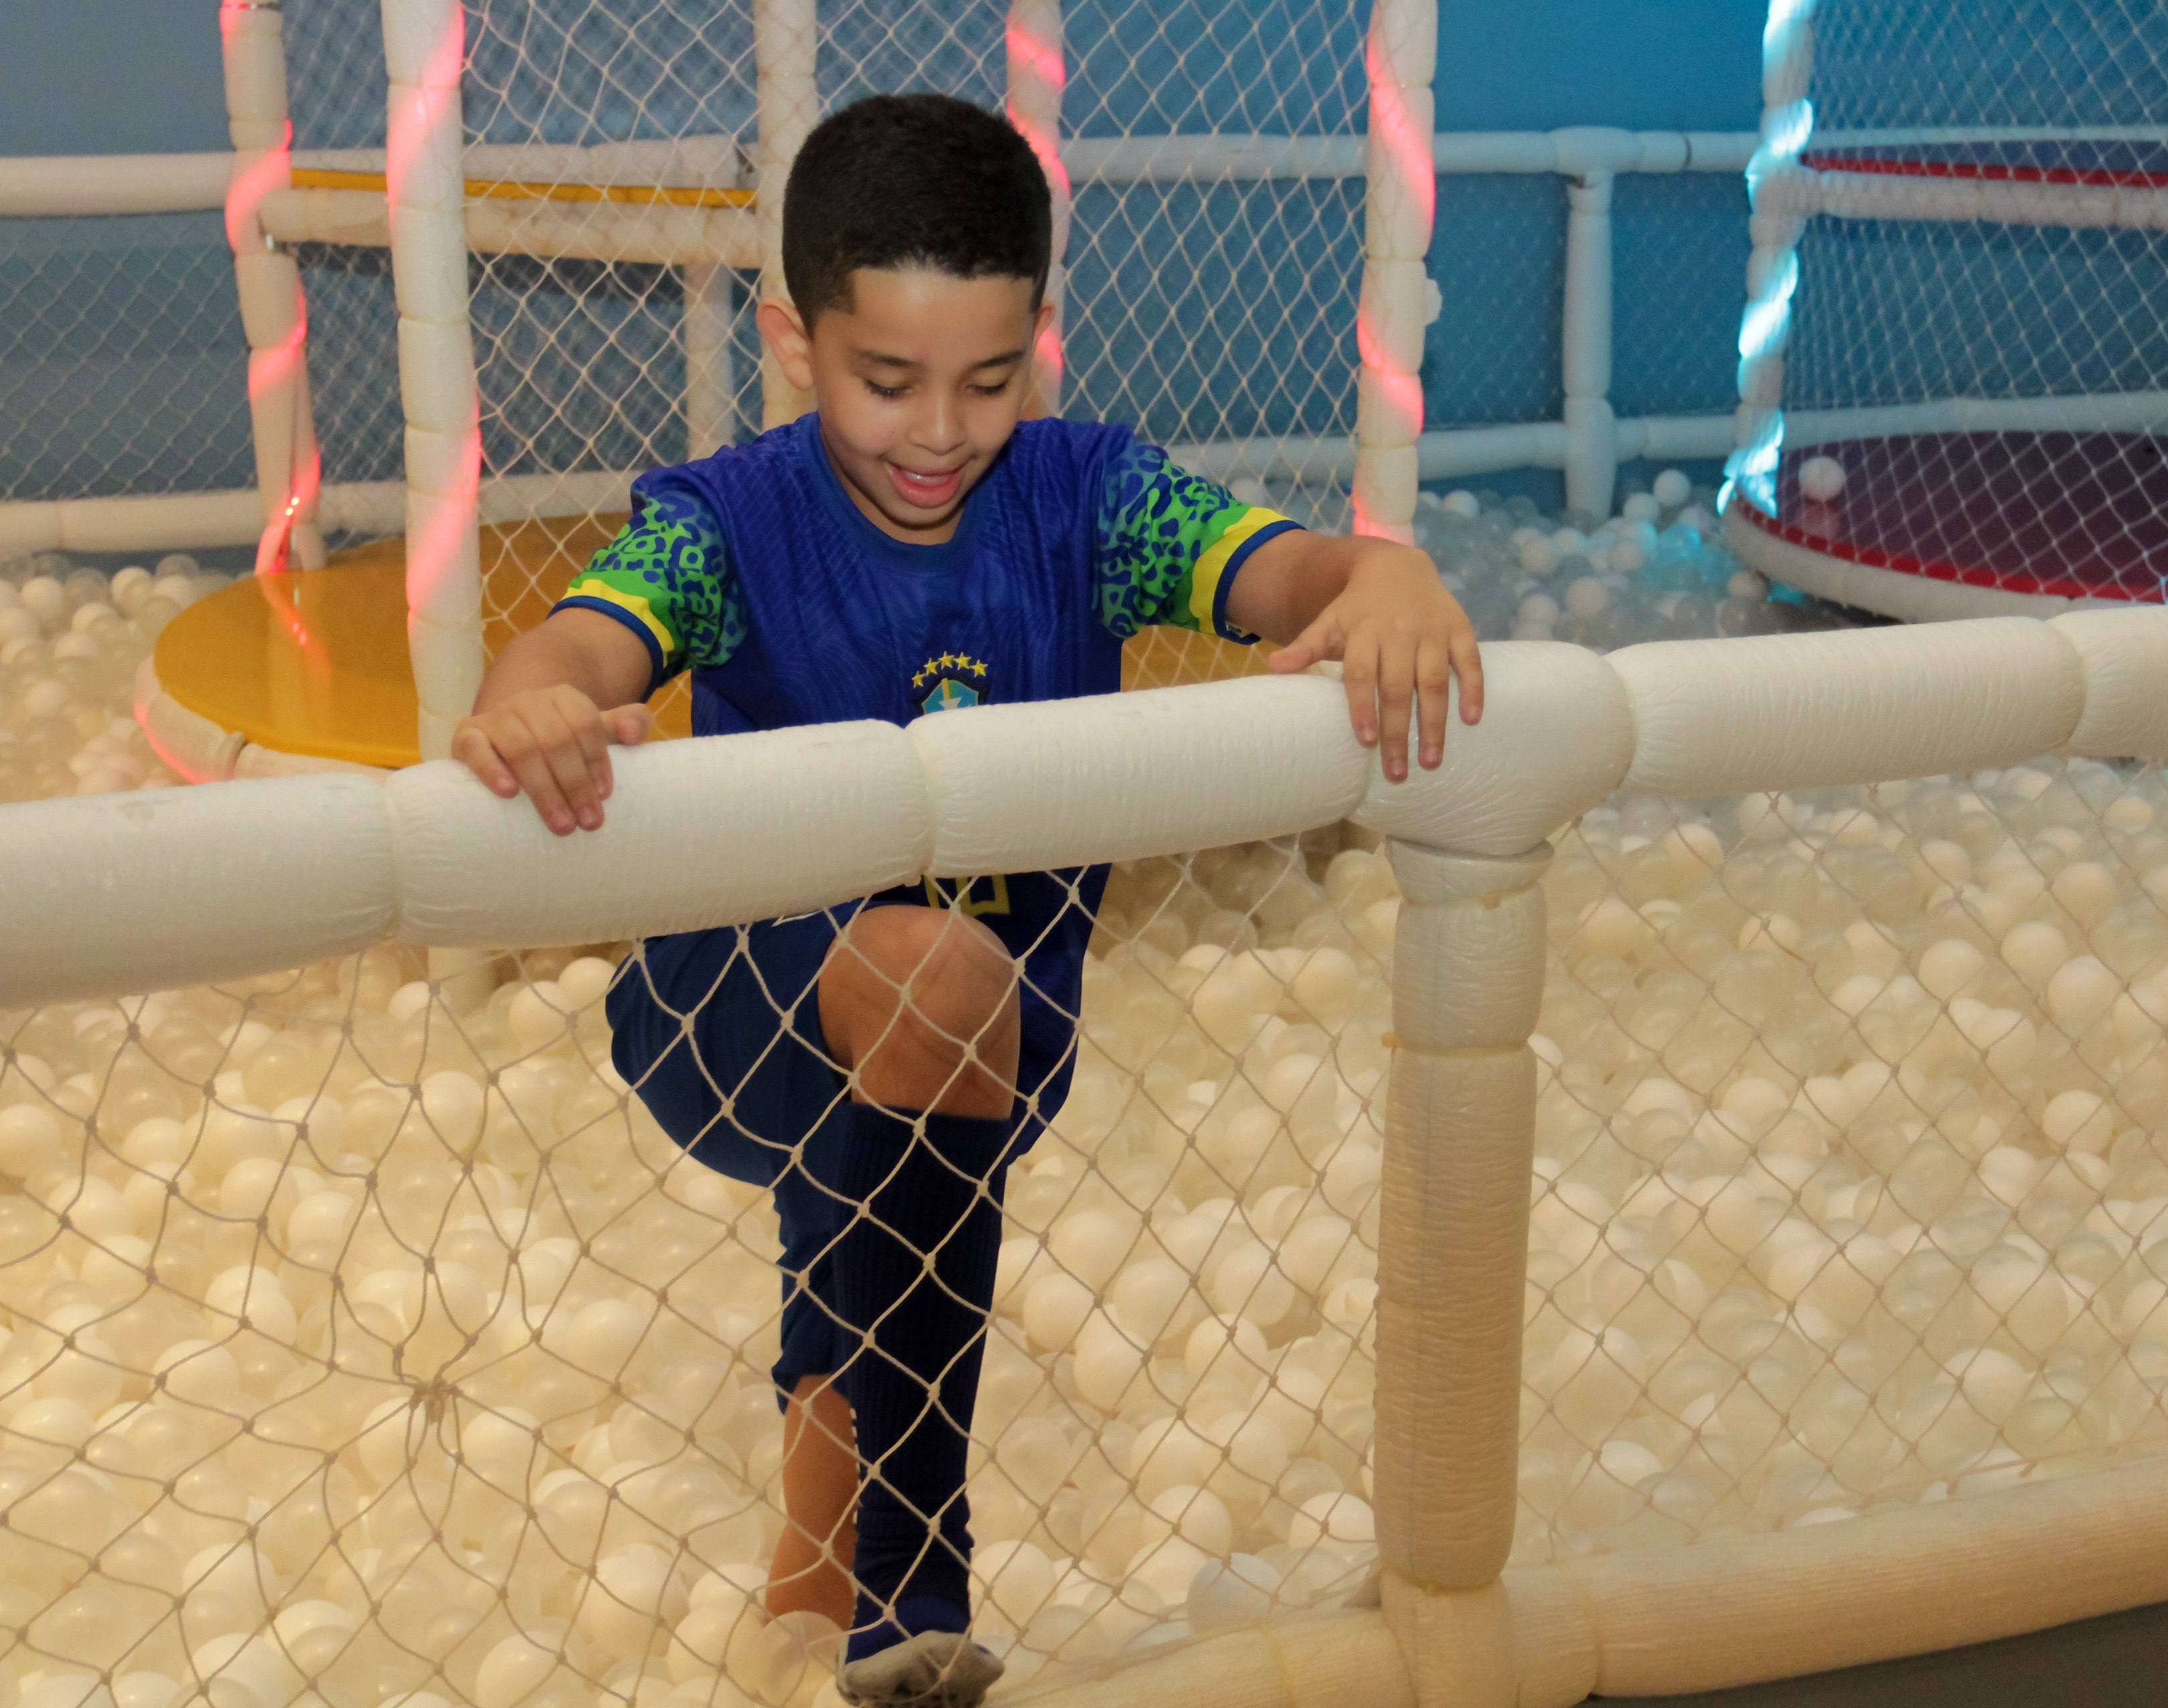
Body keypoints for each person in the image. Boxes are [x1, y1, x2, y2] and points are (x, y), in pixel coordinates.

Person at [453, 91, 1481, 1707]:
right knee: (921, 975)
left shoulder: (1093, 497)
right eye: (887, 381)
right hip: (730, 1010)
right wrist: (537, 697)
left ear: (1038, 346)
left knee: (882, 1170)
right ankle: (914, 1568)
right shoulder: (728, 522)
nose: (938, 431)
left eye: (988, 381)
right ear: (793, 341)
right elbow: (584, 638)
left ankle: (812, 1579)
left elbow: (1291, 570)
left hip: (997, 1033)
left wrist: (1386, 574)